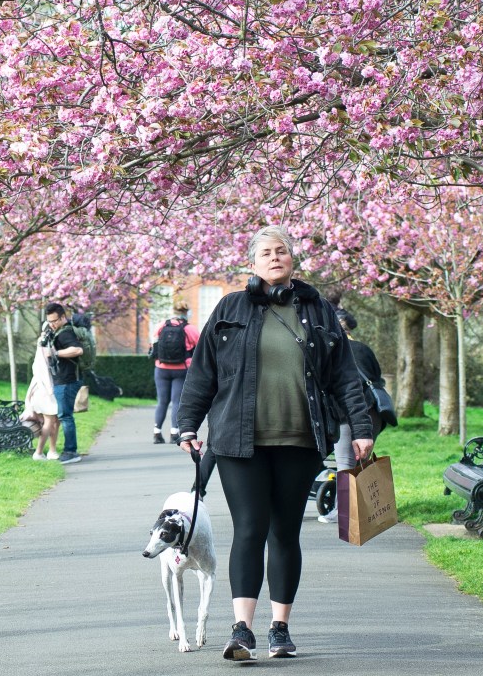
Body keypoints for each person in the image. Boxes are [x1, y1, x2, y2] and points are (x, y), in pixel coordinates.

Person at [178, 225, 374, 661]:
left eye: (281, 250)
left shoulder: (318, 309)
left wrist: (362, 429)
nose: (274, 257)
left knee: (285, 533)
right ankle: (242, 629)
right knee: (249, 528)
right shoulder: (231, 307)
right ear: (252, 262)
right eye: (265, 252)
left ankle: (280, 629)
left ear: (292, 259)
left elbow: (345, 375)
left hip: (301, 438)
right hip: (236, 440)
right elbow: (202, 373)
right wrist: (187, 425)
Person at [317, 307, 385, 523]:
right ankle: (369, 511)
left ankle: (342, 512)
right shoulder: (363, 348)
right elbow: (377, 376)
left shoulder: (330, 351)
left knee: (345, 461)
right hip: (373, 411)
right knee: (361, 461)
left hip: (346, 412)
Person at [150, 298, 199, 444]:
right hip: (181, 369)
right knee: (177, 401)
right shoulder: (189, 329)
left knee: (162, 401)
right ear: (186, 312)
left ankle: (157, 433)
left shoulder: (161, 325)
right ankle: (174, 433)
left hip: (161, 368)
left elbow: (153, 345)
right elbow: (200, 346)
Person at [40, 302, 84, 464]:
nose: (52, 324)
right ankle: (70, 450)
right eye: (49, 321)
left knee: (65, 417)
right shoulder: (58, 331)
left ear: (63, 317)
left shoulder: (66, 333)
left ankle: (71, 451)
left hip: (67, 380)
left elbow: (78, 350)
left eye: (55, 321)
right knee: (64, 416)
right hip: (64, 380)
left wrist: (55, 352)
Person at [21, 342, 60, 460]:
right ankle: (39, 453)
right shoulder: (44, 348)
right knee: (49, 421)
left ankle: (51, 451)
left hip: (46, 391)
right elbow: (43, 374)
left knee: (55, 421)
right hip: (45, 393)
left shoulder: (45, 347)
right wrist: (49, 390)